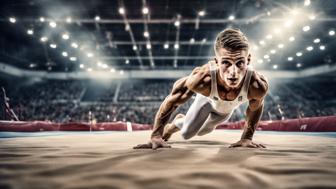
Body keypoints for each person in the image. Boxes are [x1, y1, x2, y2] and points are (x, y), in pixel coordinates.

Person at [134, 28, 268, 150]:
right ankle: (174, 125)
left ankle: (182, 121)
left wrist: (246, 138)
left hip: (224, 111)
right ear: (216, 61)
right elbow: (171, 101)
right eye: (226, 62)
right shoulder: (202, 79)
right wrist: (156, 135)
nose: (233, 72)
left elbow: (255, 108)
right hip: (206, 101)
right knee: (187, 133)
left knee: (204, 131)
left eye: (240, 63)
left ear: (248, 60)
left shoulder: (256, 85)